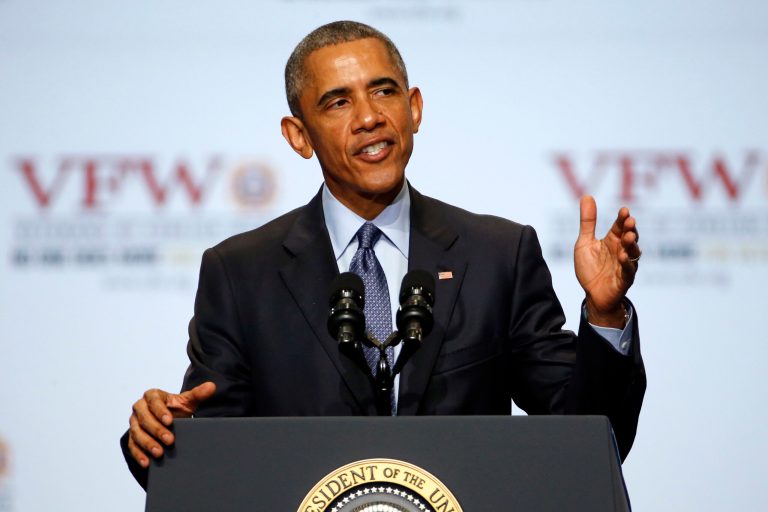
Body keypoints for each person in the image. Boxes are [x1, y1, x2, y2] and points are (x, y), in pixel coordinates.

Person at [121, 20, 646, 489]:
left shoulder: (497, 254)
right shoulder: (240, 272)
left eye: (383, 92)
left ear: (413, 109)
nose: (369, 118)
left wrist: (604, 316)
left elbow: (591, 437)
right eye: (338, 102)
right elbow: (211, 462)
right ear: (299, 135)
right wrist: (165, 433)